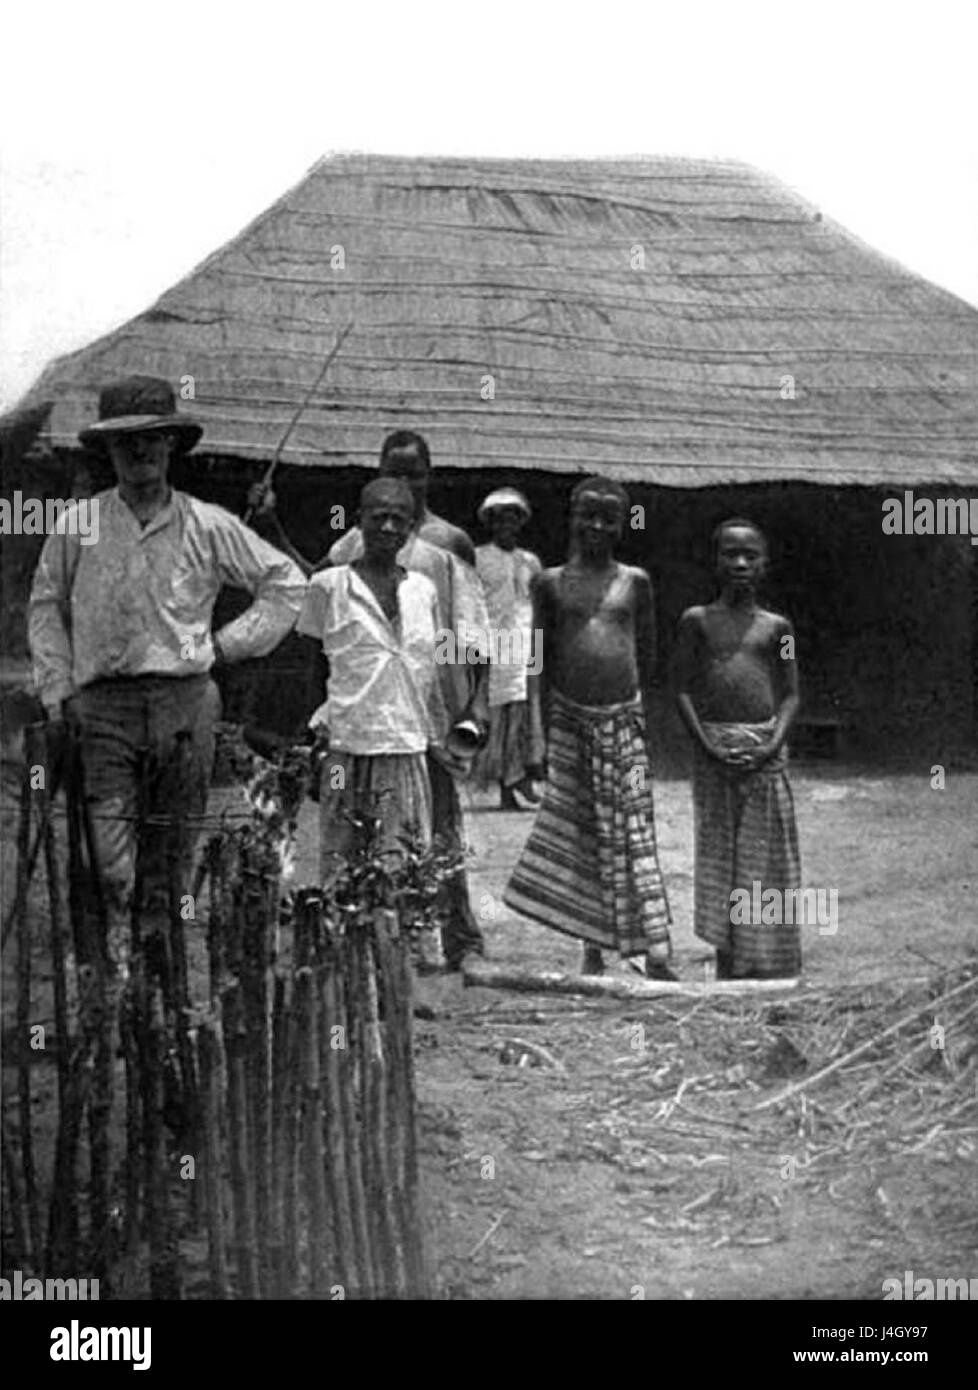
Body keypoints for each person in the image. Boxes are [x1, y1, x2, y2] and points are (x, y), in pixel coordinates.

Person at [28, 375, 307, 982]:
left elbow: (287, 584)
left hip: (186, 705)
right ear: (107, 451)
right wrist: (58, 693)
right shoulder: (80, 524)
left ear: (171, 445)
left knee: (172, 854)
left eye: (153, 439)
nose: (140, 453)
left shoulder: (206, 524)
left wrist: (225, 647)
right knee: (107, 858)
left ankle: (162, 985)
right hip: (101, 708)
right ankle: (105, 979)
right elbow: (47, 606)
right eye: (126, 443)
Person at [250, 429, 489, 970]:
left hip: (432, 693)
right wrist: (272, 524)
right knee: (366, 826)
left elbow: (472, 628)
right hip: (365, 705)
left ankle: (457, 939)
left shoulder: (450, 543)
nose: (403, 484)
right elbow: (319, 592)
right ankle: (360, 944)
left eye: (414, 474)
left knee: (433, 822)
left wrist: (475, 703)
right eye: (393, 471)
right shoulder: (350, 548)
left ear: (431, 478)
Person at [503, 476, 674, 978]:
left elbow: (647, 655)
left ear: (622, 525)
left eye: (608, 516)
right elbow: (537, 661)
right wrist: (534, 733)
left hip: (624, 721)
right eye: (588, 514)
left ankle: (654, 947)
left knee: (632, 828)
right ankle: (592, 946)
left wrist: (639, 722)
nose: (597, 524)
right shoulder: (550, 583)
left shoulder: (635, 582)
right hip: (569, 721)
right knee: (581, 832)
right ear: (572, 518)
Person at [297, 477, 444, 966]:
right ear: (358, 519)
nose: (386, 525)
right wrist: (316, 734)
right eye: (376, 515)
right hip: (346, 747)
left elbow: (430, 671)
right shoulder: (328, 586)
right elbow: (315, 664)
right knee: (341, 863)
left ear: (410, 527)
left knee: (401, 862)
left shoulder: (423, 590)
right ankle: (343, 968)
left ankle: (399, 975)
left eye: (398, 518)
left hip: (405, 746)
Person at [673, 518, 802, 979]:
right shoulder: (697, 622)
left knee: (765, 858)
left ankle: (768, 962)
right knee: (720, 859)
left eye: (751, 555)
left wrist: (771, 746)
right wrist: (707, 745)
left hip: (763, 755)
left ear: (765, 565)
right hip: (716, 756)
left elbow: (790, 695)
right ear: (716, 561)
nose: (741, 563)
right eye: (730, 553)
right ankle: (728, 961)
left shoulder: (777, 628)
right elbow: (682, 689)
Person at [473, 488, 544, 810]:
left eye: (513, 519)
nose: (507, 525)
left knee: (526, 712)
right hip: (496, 642)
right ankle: (506, 782)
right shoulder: (478, 557)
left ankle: (521, 775)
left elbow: (539, 604)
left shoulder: (530, 561)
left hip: (527, 640)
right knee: (500, 713)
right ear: (491, 523)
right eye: (500, 519)